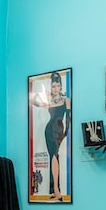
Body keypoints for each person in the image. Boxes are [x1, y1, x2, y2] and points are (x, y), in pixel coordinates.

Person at [31, 71, 71, 201]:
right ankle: (56, 191)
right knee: (53, 156)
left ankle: (56, 190)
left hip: (59, 130)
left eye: (57, 86)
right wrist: (45, 95)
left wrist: (66, 132)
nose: (55, 88)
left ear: (61, 86)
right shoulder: (48, 101)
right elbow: (33, 101)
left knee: (55, 156)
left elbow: (69, 118)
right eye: (53, 86)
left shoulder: (66, 100)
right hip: (49, 130)